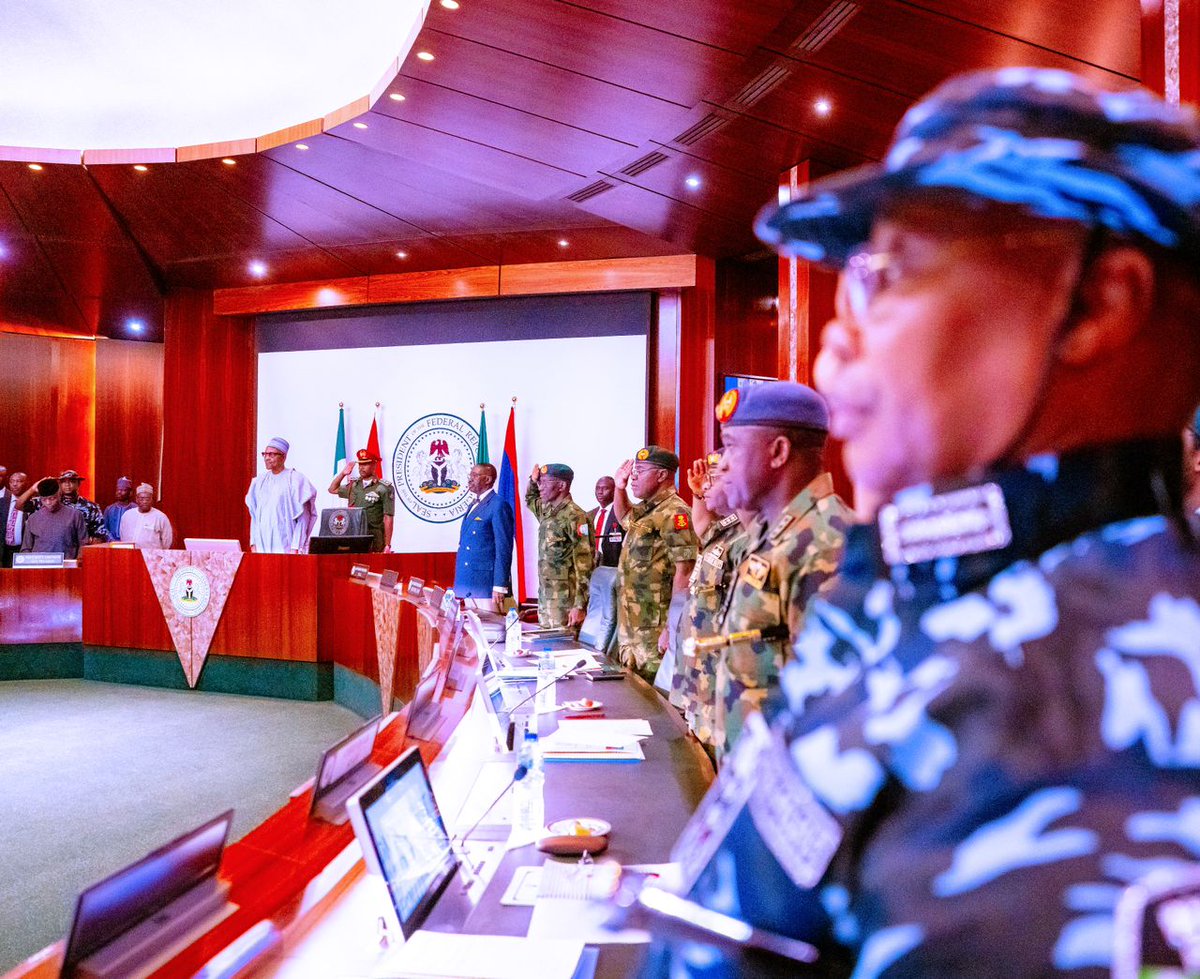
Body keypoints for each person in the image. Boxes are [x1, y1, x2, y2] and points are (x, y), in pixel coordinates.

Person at [646, 68, 1200, 978]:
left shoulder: (1082, 728)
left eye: (884, 277)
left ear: (1099, 305)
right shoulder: (943, 585)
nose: (833, 343)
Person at [709, 381, 852, 756]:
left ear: (777, 452)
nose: (722, 462)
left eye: (732, 446)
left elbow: (829, 703)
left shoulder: (826, 539)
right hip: (747, 767)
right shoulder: (769, 532)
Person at [669, 453, 748, 755]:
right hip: (697, 670)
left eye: (716, 477)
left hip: (717, 675)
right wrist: (698, 493)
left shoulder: (746, 535)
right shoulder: (721, 529)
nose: (705, 484)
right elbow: (702, 523)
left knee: (711, 765)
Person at [612, 446, 698, 682]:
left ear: (661, 475)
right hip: (631, 628)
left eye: (640, 471)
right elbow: (623, 519)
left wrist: (672, 627)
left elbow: (687, 571)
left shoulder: (676, 513)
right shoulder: (646, 510)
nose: (633, 477)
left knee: (653, 705)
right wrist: (619, 488)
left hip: (655, 631)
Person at [524, 463, 593, 629]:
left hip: (565, 602)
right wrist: (533, 481)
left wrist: (579, 605)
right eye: (540, 483)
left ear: (561, 485)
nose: (540, 487)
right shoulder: (547, 511)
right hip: (546, 597)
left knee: (564, 648)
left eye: (545, 482)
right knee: (546, 649)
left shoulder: (575, 516)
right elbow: (530, 498)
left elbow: (585, 565)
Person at [454, 462, 515, 611]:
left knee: (489, 631)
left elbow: (503, 548)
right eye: (471, 475)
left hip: (486, 584)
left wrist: (500, 585)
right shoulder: (474, 504)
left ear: (487, 480)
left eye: (474, 476)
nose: (470, 479)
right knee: (473, 630)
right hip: (469, 581)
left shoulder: (498, 505)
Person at [245, 437, 317, 554]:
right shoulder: (259, 482)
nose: (267, 458)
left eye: (272, 454)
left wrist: (295, 548)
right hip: (262, 544)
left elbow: (303, 519)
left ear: (283, 456)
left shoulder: (295, 480)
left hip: (286, 545)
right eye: (265, 454)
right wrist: (253, 543)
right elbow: (254, 516)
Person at [328, 448, 395, 552]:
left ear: (374, 465)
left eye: (366, 464)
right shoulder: (353, 485)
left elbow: (388, 517)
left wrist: (388, 545)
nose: (361, 467)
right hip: (354, 536)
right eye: (360, 464)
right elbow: (332, 489)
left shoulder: (384, 488)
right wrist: (343, 474)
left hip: (374, 538)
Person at [18, 469, 109, 543]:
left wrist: (83, 543)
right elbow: (19, 505)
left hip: (79, 551)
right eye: (63, 482)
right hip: (49, 549)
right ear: (59, 484)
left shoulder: (91, 507)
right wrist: (33, 489)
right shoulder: (49, 500)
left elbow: (100, 536)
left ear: (78, 484)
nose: (67, 485)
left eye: (72, 481)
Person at [21, 478, 87, 559]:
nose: (48, 503)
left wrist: (78, 562)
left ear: (59, 494)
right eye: (44, 500)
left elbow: (83, 543)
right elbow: (26, 548)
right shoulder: (33, 518)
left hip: (65, 567)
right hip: (39, 567)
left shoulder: (75, 515)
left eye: (52, 498)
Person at [119, 483, 173, 549]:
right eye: (141, 499)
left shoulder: (161, 517)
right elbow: (122, 535)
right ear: (136, 499)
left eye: (147, 499)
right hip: (129, 555)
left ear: (152, 500)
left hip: (152, 557)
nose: (144, 502)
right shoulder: (127, 515)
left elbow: (166, 542)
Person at [589, 476, 625, 567]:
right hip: (592, 563)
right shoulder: (589, 515)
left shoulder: (621, 513)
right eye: (597, 488)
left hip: (614, 565)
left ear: (614, 491)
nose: (600, 492)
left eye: (605, 488)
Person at [102, 476, 135, 541]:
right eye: (118, 489)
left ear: (130, 493)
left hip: (130, 544)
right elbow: (104, 528)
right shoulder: (109, 509)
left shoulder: (135, 509)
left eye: (123, 490)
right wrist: (112, 540)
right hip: (111, 544)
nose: (119, 492)